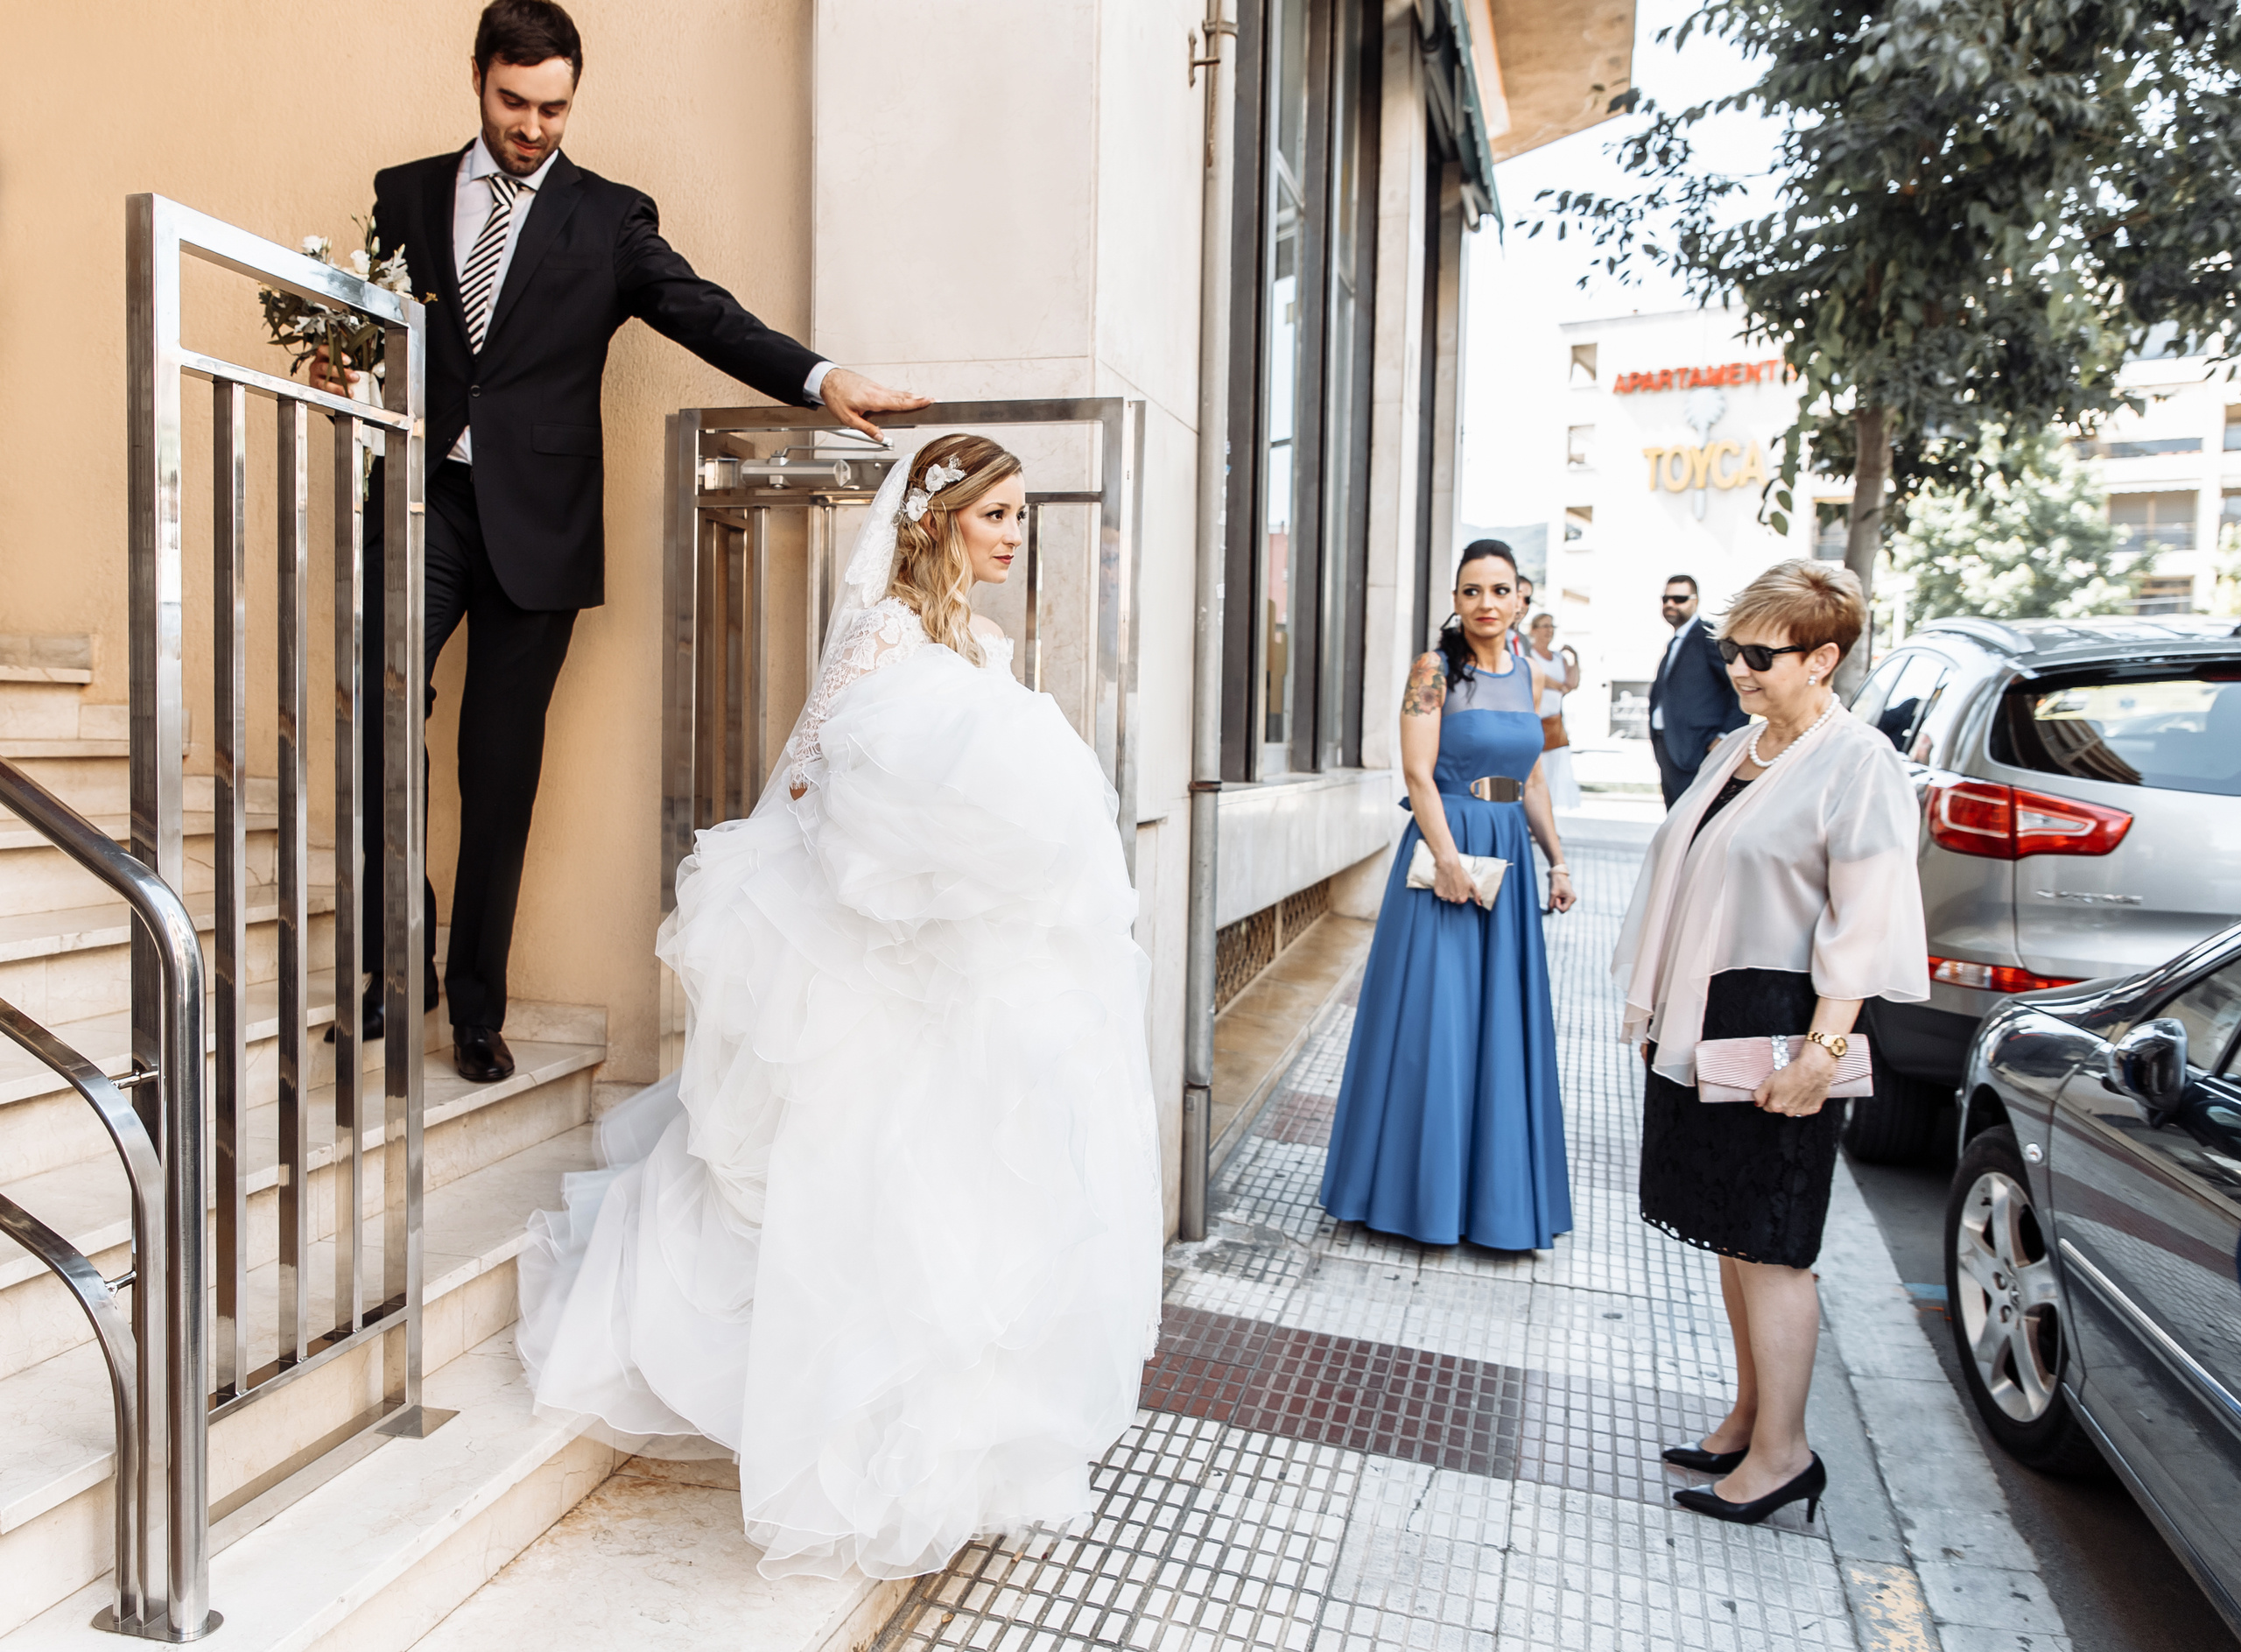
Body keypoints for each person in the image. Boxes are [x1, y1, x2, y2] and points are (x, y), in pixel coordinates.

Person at [516, 436, 1164, 1578]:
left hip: (952, 965)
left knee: (946, 1192)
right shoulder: (882, 633)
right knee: (858, 1180)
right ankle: (834, 1419)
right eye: (996, 514)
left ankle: (940, 1434)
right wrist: (886, 868)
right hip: (869, 952)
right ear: (938, 520)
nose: (1014, 534)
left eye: (1021, 515)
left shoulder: (981, 647)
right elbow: (808, 778)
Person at [310, 0, 926, 1081]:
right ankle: (391, 965)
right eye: (513, 102)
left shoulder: (607, 219)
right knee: (376, 720)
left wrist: (820, 377)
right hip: (421, 501)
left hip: (538, 528)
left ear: (572, 98)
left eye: (552, 109)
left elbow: (703, 310)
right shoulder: (403, 195)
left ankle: (476, 1005)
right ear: (477, 77)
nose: (531, 127)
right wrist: (341, 364)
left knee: (499, 768)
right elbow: (377, 329)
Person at [1612, 560, 1928, 1527]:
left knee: (1775, 1243)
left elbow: (1865, 920)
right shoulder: (1740, 746)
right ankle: (1750, 1418)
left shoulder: (1857, 762)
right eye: (1731, 650)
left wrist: (1821, 1055)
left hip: (1785, 1018)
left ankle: (1785, 1455)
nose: (1738, 669)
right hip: (1712, 1010)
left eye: (1760, 655)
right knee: (1732, 1230)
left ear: (1822, 659)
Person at [1318, 540, 1576, 1250]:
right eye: (1471, 591)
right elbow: (1417, 771)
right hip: (1448, 849)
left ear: (1521, 598)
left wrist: (1556, 861)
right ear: (1456, 599)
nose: (1486, 603)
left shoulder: (1531, 674)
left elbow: (1533, 779)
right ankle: (1414, 1198)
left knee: (1498, 1025)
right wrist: (1447, 858)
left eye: (1499, 590)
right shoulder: (1432, 671)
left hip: (1507, 852)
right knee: (1436, 1020)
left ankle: (1491, 1202)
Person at [1647, 574, 1746, 807]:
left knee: (1693, 816)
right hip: (1669, 745)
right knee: (1675, 814)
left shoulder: (1709, 636)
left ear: (1695, 601)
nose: (1670, 604)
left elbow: (1739, 686)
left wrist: (1725, 735)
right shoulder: (1676, 641)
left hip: (1698, 747)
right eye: (1666, 599)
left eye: (1679, 599)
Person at [1525, 612, 1582, 812]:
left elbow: (1572, 683)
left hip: (1554, 722)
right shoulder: (1529, 655)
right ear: (1534, 630)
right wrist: (1559, 686)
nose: (1549, 630)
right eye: (1544, 625)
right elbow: (1536, 677)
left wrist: (1575, 659)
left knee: (1552, 773)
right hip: (1535, 721)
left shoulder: (1558, 658)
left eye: (1551, 626)